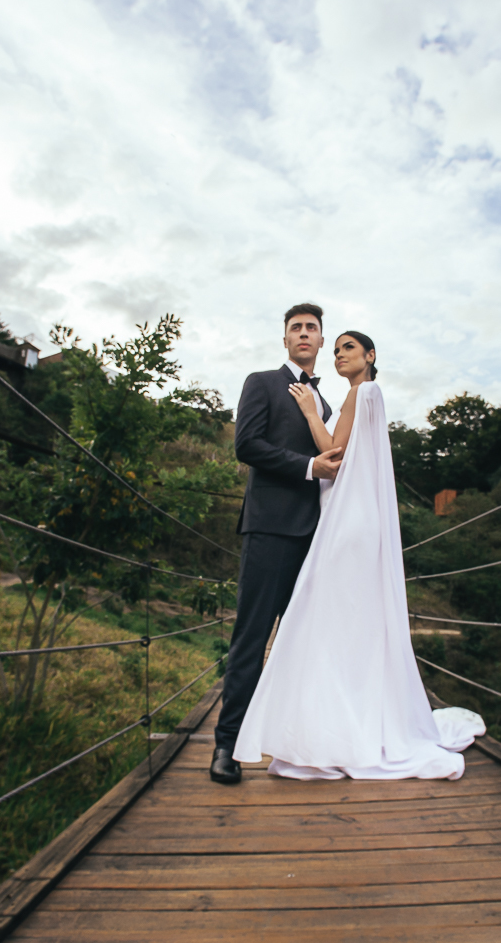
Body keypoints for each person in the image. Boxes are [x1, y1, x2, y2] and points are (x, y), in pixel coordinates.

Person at [233, 329, 486, 780]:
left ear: (370, 355)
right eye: (337, 351)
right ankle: (353, 713)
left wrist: (310, 411)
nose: (339, 356)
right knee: (349, 618)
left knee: (327, 617)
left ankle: (337, 722)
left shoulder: (359, 392)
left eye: (348, 348)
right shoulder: (367, 396)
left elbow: (334, 450)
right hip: (357, 519)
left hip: (347, 523)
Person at [210, 303, 341, 784]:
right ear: (284, 340)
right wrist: (310, 467)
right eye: (296, 328)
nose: (304, 334)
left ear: (321, 342)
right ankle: (227, 746)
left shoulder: (325, 405)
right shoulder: (260, 382)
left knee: (305, 643)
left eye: (312, 328)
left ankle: (295, 743)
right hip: (269, 529)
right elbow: (246, 445)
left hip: (318, 536)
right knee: (251, 637)